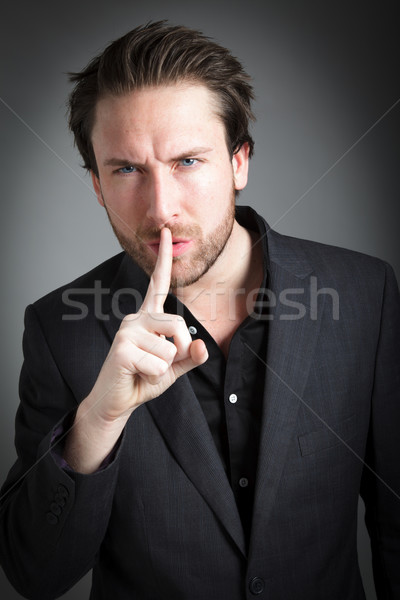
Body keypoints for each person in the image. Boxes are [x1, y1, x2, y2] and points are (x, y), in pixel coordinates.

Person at [0, 20, 399, 600]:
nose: (162, 208)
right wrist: (97, 425)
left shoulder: (367, 294)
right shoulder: (58, 329)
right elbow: (34, 575)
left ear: (239, 162)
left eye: (187, 161)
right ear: (96, 186)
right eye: (127, 170)